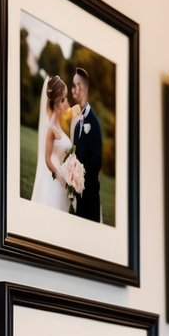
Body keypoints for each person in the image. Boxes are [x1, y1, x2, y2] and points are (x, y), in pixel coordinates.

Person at [30, 75, 77, 212]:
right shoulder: (51, 127)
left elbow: (72, 113)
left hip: (62, 177)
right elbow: (47, 159)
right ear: (56, 101)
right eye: (63, 99)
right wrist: (61, 176)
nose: (66, 102)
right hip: (55, 181)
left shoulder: (59, 122)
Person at [71, 68, 104, 222]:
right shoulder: (78, 123)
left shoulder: (94, 123)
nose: (73, 90)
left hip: (90, 197)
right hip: (77, 195)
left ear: (82, 88)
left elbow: (96, 161)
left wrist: (79, 176)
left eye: (75, 86)